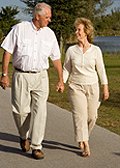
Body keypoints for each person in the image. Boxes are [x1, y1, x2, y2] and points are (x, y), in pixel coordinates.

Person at [0, 2, 64, 159]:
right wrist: (4, 74)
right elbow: (7, 52)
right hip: (21, 76)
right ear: (37, 16)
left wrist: (61, 79)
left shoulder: (49, 34)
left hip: (41, 76)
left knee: (40, 111)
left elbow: (56, 58)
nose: (50, 20)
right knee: (20, 111)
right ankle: (24, 136)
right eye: (47, 17)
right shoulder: (19, 29)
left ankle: (36, 146)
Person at [63, 17, 109, 157]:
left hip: (92, 86)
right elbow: (66, 69)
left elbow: (101, 69)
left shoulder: (96, 50)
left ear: (86, 32)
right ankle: (85, 144)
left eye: (79, 29)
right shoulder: (71, 50)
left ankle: (83, 136)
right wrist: (62, 82)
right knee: (80, 116)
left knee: (92, 116)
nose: (76, 32)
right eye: (76, 29)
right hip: (75, 86)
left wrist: (105, 86)